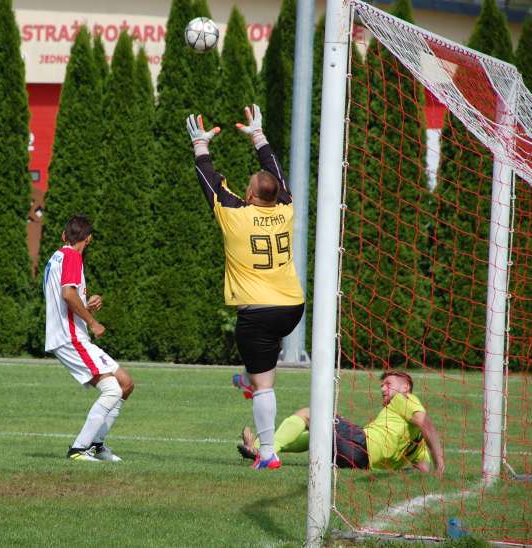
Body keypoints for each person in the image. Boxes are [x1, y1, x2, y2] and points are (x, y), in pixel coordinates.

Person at [186, 105, 305, 469]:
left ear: (251, 195)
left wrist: (200, 143)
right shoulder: (285, 208)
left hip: (257, 311)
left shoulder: (235, 215)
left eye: (249, 184)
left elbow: (208, 179)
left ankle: (267, 453)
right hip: (291, 307)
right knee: (260, 375)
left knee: (265, 384)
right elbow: (277, 176)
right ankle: (249, 381)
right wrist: (258, 136)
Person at [42, 214, 134, 462]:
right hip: (70, 337)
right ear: (89, 239)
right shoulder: (73, 255)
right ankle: (79, 449)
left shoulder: (56, 257)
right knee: (112, 389)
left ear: (63, 235)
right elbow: (67, 294)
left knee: (125, 383)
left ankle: (96, 445)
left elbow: (70, 298)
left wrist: (87, 306)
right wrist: (92, 322)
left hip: (70, 334)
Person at [237, 371, 446, 476]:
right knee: (317, 436)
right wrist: (433, 471)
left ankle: (264, 450)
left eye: (388, 384)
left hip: (361, 444)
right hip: (358, 464)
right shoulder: (417, 446)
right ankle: (261, 446)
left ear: (406, 387)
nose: (383, 389)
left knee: (309, 414)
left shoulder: (405, 399)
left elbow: (426, 424)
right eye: (382, 385)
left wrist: (441, 466)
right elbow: (422, 468)